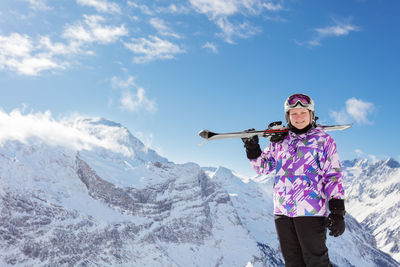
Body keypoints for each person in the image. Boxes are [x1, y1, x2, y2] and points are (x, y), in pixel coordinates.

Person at [242, 93, 346, 267]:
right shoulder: (280, 140)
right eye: (293, 113)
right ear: (287, 117)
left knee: (316, 262)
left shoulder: (323, 141)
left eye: (303, 113)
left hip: (310, 212)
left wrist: (337, 211)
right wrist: (253, 149)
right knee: (292, 263)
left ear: (311, 115)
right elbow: (263, 168)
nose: (298, 117)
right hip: (282, 211)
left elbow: (332, 176)